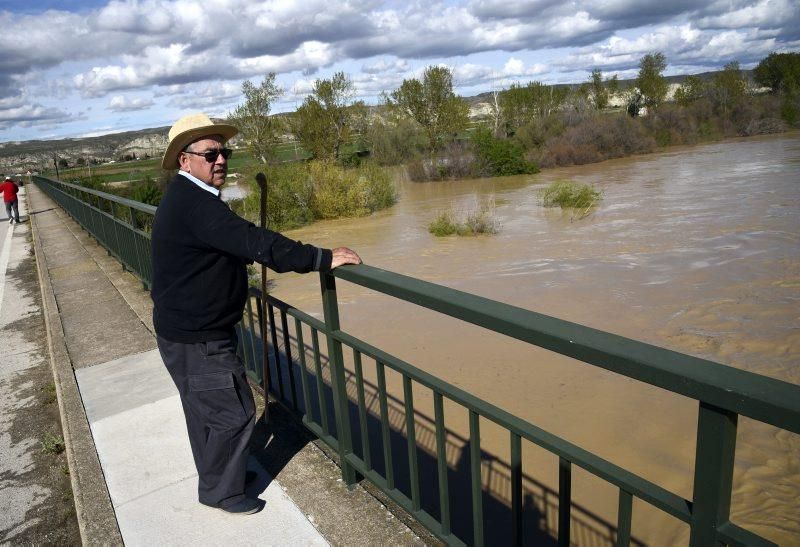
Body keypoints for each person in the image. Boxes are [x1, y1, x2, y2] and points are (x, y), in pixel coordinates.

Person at [151, 113, 361, 516]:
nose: (220, 160)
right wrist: (321, 257)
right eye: (210, 153)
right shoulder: (195, 205)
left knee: (205, 412)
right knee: (235, 413)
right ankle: (222, 493)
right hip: (198, 337)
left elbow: (233, 244)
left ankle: (217, 478)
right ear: (184, 160)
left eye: (223, 152)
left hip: (187, 331)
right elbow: (253, 240)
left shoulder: (188, 199)